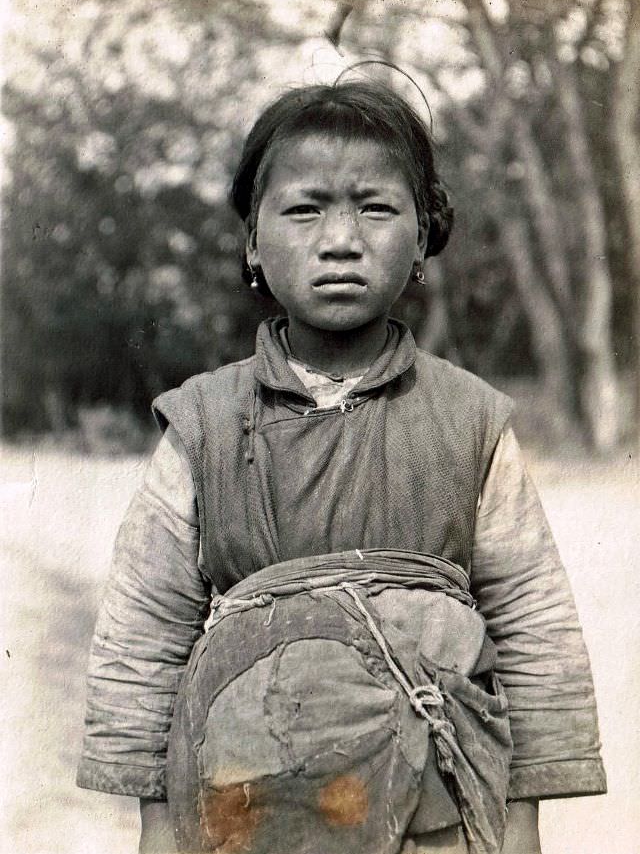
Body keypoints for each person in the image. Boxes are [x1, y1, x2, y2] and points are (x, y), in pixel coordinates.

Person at [77, 79, 606, 854]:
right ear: (252, 242)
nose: (340, 239)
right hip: (249, 803)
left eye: (375, 207)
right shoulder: (205, 423)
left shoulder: (469, 421)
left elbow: (533, 624)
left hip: (437, 803)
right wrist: (157, 819)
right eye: (305, 208)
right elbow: (143, 632)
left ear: (423, 236)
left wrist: (525, 812)